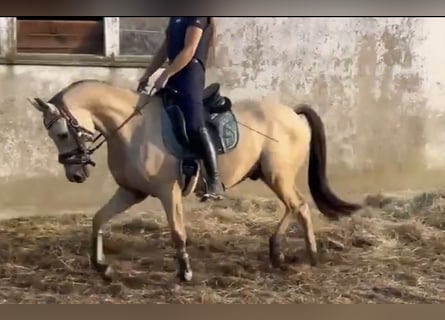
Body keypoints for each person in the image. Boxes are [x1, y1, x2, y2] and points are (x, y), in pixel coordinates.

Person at [137, 17, 224, 201]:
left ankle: (214, 180)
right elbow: (165, 49)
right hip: (175, 71)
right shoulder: (175, 16)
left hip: (190, 74)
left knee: (194, 124)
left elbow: (190, 49)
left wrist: (166, 74)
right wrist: (148, 74)